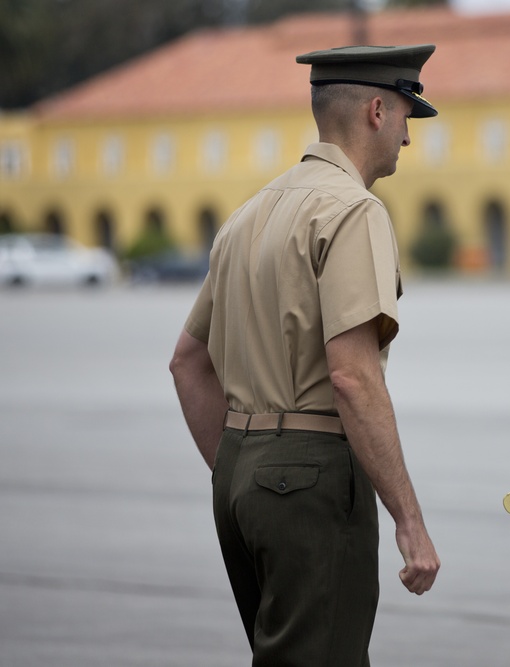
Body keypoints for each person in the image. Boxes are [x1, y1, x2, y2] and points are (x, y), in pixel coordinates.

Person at [169, 44, 441, 666]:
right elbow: (352, 377)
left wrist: (246, 467)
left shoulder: (247, 215)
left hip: (240, 472)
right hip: (312, 476)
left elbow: (187, 362)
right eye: (406, 116)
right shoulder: (352, 210)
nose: (407, 137)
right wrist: (409, 519)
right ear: (377, 110)